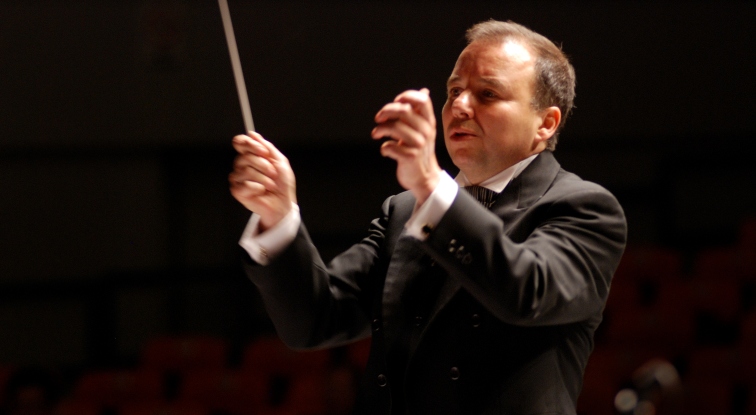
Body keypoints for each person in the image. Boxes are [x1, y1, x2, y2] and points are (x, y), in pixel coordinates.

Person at [229, 19, 627, 415]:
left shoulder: (585, 208)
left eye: (487, 94)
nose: (459, 106)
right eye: (454, 90)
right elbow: (317, 320)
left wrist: (432, 187)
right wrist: (278, 217)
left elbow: (526, 292)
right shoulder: (404, 210)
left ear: (545, 123)